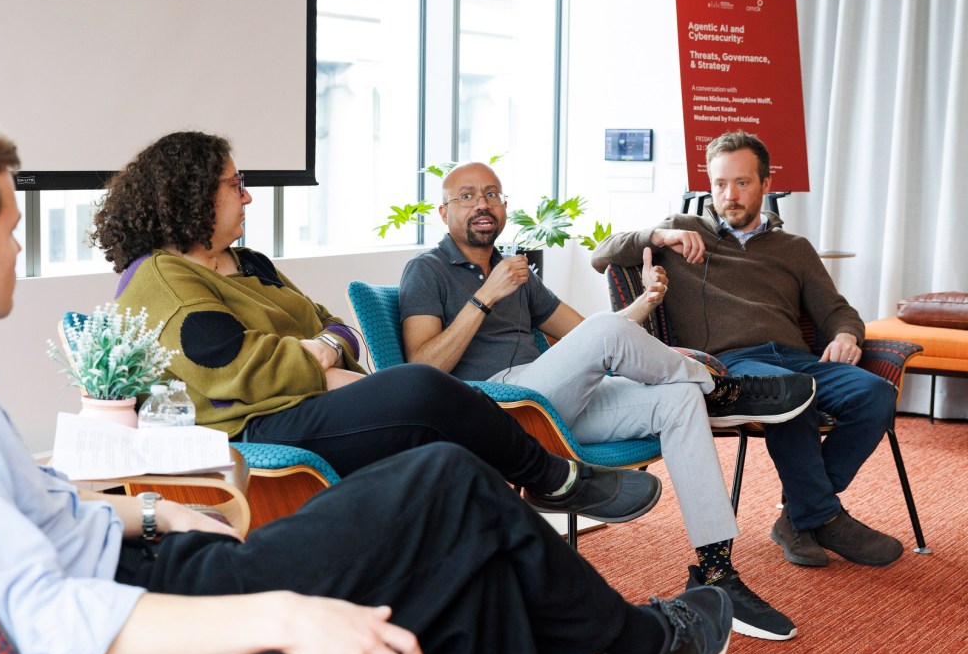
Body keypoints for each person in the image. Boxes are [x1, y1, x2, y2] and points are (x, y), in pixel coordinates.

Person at [0, 117, 735, 654]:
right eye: (12, 228)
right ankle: (638, 646)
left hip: (152, 553)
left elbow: (16, 514)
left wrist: (146, 509)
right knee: (448, 483)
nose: (23, 246)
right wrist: (289, 614)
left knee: (459, 546)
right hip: (153, 605)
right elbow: (47, 622)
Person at [91, 130, 661, 525]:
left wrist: (323, 349)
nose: (247, 195)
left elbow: (334, 325)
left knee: (454, 466)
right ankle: (555, 479)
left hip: (309, 407)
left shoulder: (250, 263)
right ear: (192, 197)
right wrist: (324, 365)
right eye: (233, 184)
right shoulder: (162, 278)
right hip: (253, 432)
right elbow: (244, 370)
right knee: (421, 389)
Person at [398, 161, 813, 643]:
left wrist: (643, 306)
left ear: (505, 206)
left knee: (679, 398)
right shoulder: (426, 270)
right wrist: (485, 297)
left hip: (550, 403)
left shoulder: (515, 270)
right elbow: (422, 369)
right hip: (496, 409)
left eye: (492, 194)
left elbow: (586, 336)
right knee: (663, 367)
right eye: (467, 196)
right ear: (444, 211)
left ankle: (717, 571)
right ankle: (718, 389)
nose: (483, 203)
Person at [591, 130, 904, 569]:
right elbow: (601, 255)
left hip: (796, 357)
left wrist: (846, 336)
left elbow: (835, 310)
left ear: (765, 184)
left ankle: (799, 515)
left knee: (876, 396)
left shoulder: (794, 249)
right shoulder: (683, 233)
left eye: (741, 183)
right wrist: (659, 235)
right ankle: (824, 517)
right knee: (789, 394)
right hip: (728, 364)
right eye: (719, 184)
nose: (729, 195)